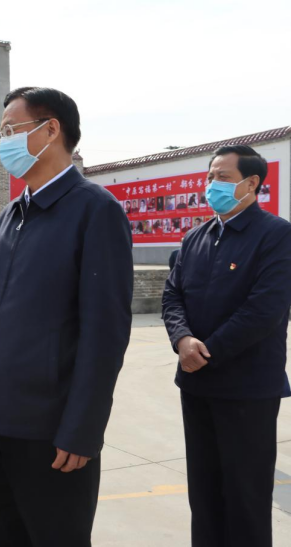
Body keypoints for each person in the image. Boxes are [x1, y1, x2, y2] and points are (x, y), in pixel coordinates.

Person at [0, 87, 133, 546]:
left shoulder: (95, 211)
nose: (2, 142)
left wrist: (83, 429)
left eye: (10, 130)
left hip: (50, 432)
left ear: (51, 130)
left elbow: (105, 334)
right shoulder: (12, 214)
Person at [162, 145, 291, 547]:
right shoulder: (195, 237)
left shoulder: (276, 235)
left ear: (251, 184)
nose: (211, 184)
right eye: (209, 176)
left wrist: (207, 352)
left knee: (245, 496)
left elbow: (265, 310)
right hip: (197, 386)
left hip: (247, 390)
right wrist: (183, 340)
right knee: (204, 494)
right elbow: (172, 296)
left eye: (222, 177)